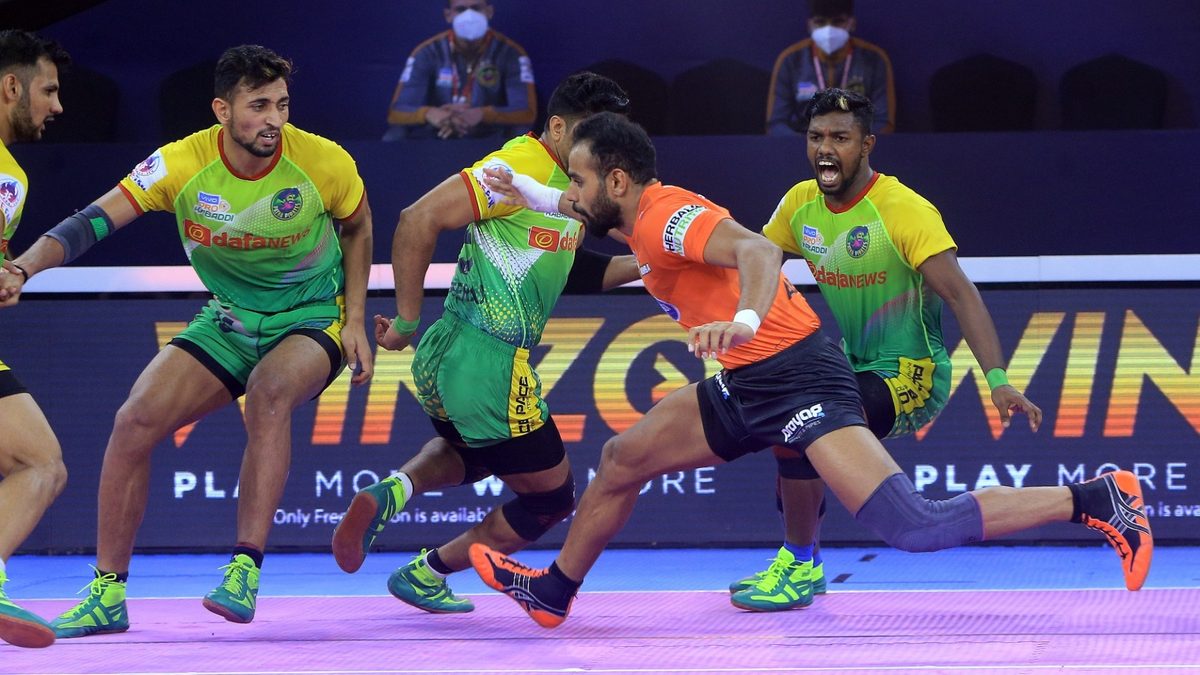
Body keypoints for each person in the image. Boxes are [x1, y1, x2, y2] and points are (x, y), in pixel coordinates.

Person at [467, 111, 1152, 629]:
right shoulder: (636, 218)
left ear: (616, 180)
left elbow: (760, 257)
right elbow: (585, 212)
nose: (572, 191)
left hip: (799, 374)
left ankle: (1096, 498)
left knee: (913, 525)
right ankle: (553, 593)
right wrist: (525, 188)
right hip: (746, 380)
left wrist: (739, 322)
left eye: (579, 180)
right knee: (622, 458)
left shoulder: (669, 217)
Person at [0, 44, 375, 637]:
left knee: (269, 392)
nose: (274, 119)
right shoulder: (181, 163)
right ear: (222, 110)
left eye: (282, 104)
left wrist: (354, 318)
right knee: (135, 421)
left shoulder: (324, 162)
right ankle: (107, 594)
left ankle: (243, 570)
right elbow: (92, 221)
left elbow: (357, 226)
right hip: (229, 317)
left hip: (309, 316)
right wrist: (22, 268)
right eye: (259, 106)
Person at [330, 71, 636, 614]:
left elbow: (567, 268)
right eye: (593, 135)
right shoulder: (517, 165)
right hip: (487, 362)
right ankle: (428, 573)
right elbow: (418, 218)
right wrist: (404, 320)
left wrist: (648, 265)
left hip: (449, 362)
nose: (604, 150)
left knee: (474, 451)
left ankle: (391, 492)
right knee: (550, 498)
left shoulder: (568, 183)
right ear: (559, 127)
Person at [727, 87, 1043, 611]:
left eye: (841, 138)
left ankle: (799, 562)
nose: (826, 149)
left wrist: (998, 379)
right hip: (849, 365)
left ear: (867, 144)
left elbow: (962, 294)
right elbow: (755, 260)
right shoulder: (798, 205)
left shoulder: (902, 209)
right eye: (816, 137)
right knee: (793, 427)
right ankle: (802, 562)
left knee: (803, 422)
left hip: (911, 374)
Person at [0, 29, 69, 650]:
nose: (57, 105)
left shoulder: (11, 177)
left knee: (33, 463)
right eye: (48, 89)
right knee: (39, 463)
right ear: (11, 87)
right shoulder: (7, 178)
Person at [383, 0, 536, 141]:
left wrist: (482, 114)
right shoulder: (427, 51)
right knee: (395, 135)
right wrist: (429, 113)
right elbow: (396, 112)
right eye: (461, 9)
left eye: (476, 8)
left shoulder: (511, 53)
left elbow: (527, 112)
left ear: (489, 12)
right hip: (439, 130)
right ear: (448, 15)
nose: (469, 16)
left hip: (489, 133)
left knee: (521, 133)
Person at [766, 0, 894, 135]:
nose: (828, 30)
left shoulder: (873, 59)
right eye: (820, 22)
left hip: (857, 146)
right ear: (810, 25)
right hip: (804, 145)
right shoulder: (791, 60)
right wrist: (809, 147)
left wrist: (852, 146)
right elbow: (776, 124)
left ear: (852, 23)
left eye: (838, 21)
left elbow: (884, 123)